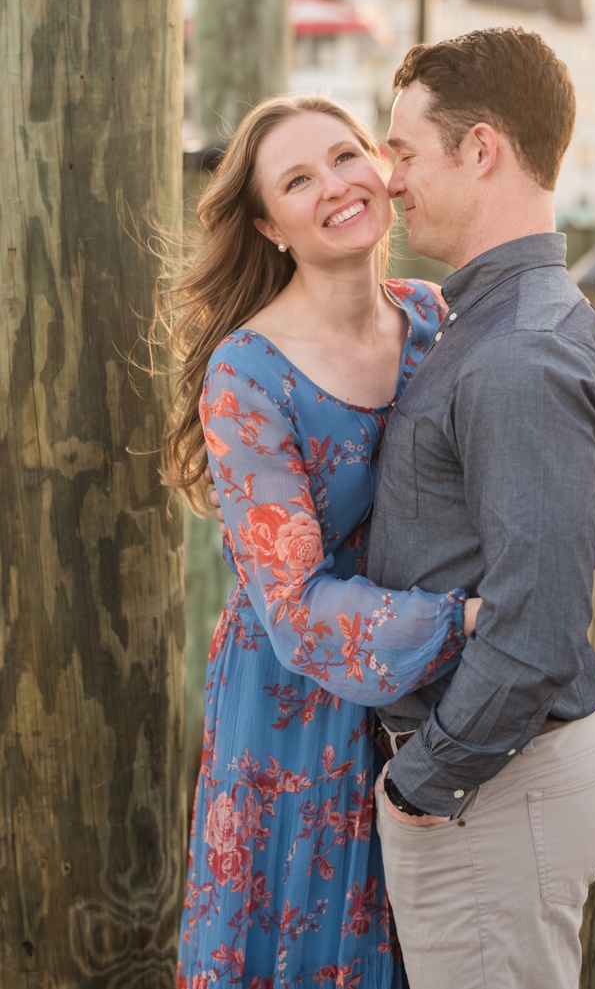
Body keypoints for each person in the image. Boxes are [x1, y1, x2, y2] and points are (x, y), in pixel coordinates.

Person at [160, 94, 485, 987]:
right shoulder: (246, 371)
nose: (337, 185)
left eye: (348, 156)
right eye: (299, 179)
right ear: (269, 224)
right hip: (295, 700)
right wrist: (468, 621)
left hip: (439, 701)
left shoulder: (434, 319)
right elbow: (296, 605)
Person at [362, 28, 595, 989]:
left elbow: (534, 627)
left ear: (481, 150)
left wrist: (422, 781)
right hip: (497, 781)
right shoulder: (498, 320)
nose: (390, 179)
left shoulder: (519, 351)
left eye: (403, 151)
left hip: (492, 788)